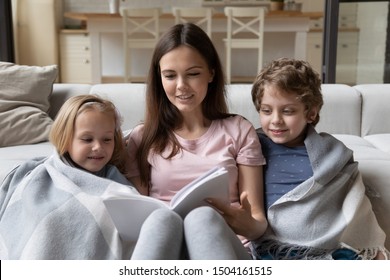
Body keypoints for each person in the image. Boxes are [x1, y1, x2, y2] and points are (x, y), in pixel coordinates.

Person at [126, 22, 268, 259]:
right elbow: (138, 218)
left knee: (202, 217)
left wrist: (246, 224)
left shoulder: (238, 130)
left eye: (193, 74)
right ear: (159, 78)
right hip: (168, 249)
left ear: (211, 73)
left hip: (226, 249)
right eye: (170, 76)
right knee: (160, 218)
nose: (181, 86)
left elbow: (258, 224)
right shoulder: (142, 137)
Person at [0, 94, 183, 259]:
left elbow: (128, 208)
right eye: (87, 139)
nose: (98, 147)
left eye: (107, 139)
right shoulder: (45, 175)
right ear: (66, 139)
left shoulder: (114, 177)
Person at [250, 57, 389, 260]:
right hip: (273, 247)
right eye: (266, 110)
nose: (276, 120)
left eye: (288, 111)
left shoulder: (331, 153)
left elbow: (352, 201)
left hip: (327, 249)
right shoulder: (252, 146)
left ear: (311, 113)